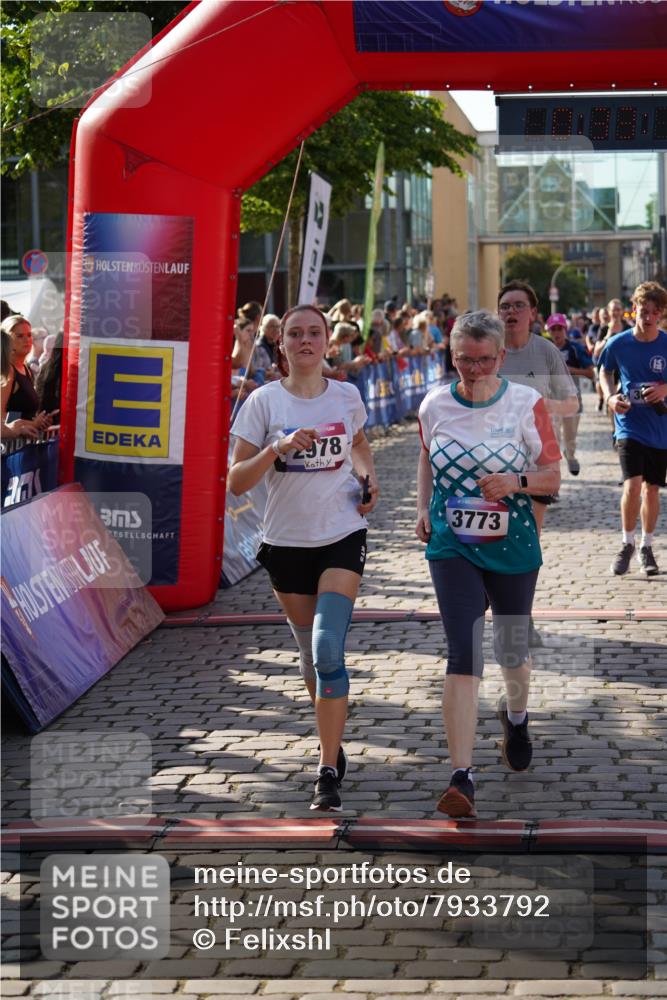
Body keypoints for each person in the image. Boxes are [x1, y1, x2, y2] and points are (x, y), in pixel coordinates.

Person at [228, 304, 379, 812]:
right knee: (311, 655)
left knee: (327, 647)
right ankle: (330, 734)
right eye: (296, 334)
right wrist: (278, 448)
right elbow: (236, 481)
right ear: (282, 344)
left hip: (341, 532)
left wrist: (367, 478)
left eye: (315, 332)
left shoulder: (346, 395)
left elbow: (360, 444)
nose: (306, 341)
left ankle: (327, 768)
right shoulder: (263, 402)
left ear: (328, 341)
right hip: (285, 543)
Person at [416, 310, 560, 818]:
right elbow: (427, 456)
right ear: (451, 355)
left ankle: (516, 717)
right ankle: (462, 776)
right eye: (464, 360)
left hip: (513, 544)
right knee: (464, 650)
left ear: (501, 357)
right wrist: (422, 508)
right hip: (452, 543)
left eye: (483, 360)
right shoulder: (434, 404)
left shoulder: (527, 403)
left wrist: (514, 483)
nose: (474, 370)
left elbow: (552, 477)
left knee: (511, 649)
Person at [497, 281, 578, 646]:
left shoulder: (545, 351)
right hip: (492, 460)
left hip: (537, 461)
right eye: (505, 306)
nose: (511, 312)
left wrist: (540, 408)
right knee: (494, 541)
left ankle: (521, 616)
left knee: (526, 542)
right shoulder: (490, 350)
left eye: (518, 306)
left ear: (533, 313)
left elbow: (571, 403)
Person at [599, 281, 667, 577]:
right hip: (629, 426)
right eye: (643, 311)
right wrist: (610, 397)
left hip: (660, 427)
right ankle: (626, 543)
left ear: (661, 314)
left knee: (652, 489)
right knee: (633, 485)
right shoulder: (619, 343)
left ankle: (646, 546)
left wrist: (664, 389)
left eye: (654, 312)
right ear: (634, 310)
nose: (648, 317)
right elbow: (604, 371)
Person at [546, 313, 595, 476]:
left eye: (559, 329)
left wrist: (569, 370)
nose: (557, 333)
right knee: (552, 436)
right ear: (549, 331)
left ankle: (570, 455)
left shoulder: (575, 348)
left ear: (565, 330)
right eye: (553, 329)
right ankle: (553, 470)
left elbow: (590, 373)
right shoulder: (544, 349)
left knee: (570, 437)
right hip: (550, 400)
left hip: (571, 400)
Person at [1, 315, 53, 438]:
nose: (27, 340)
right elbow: (2, 416)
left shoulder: (26, 369)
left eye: (29, 335)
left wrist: (41, 420)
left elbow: (20, 412)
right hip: (9, 446)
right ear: (7, 340)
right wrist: (32, 423)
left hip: (24, 444)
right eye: (20, 336)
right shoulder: (8, 371)